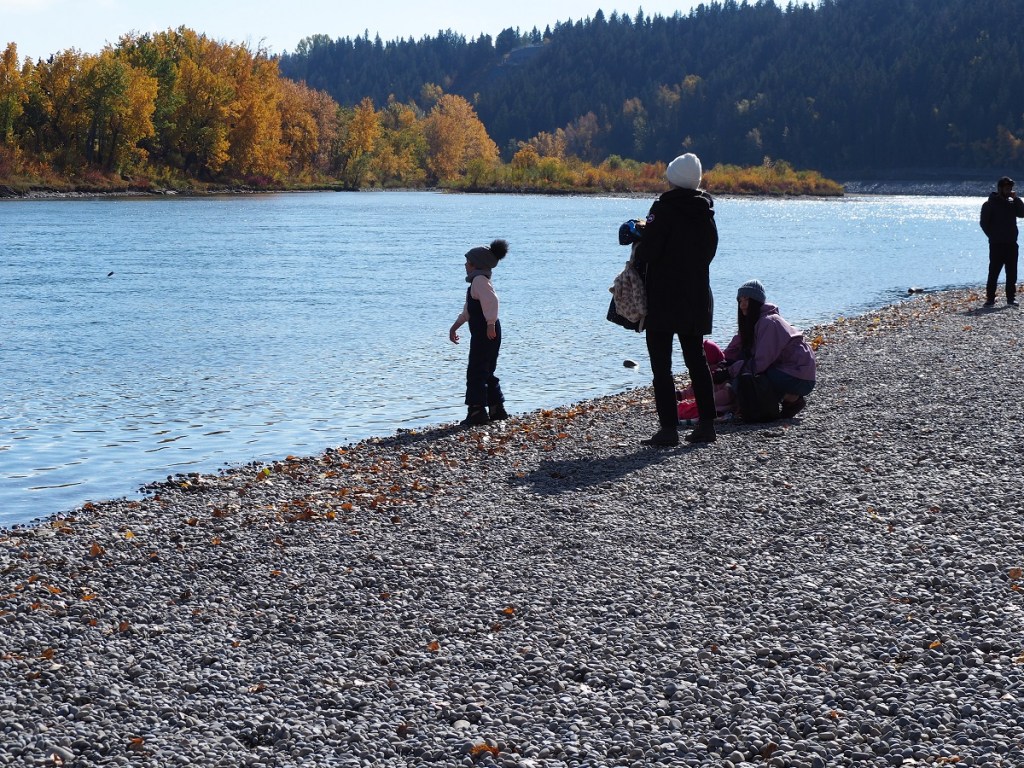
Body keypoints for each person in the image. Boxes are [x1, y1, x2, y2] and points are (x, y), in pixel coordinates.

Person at [634, 152, 718, 445]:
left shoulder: (663, 209)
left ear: (673, 179)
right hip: (696, 295)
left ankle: (669, 429)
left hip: (663, 297)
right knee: (696, 360)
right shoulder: (706, 213)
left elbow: (649, 253)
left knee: (661, 365)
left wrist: (640, 235)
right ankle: (707, 425)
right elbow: (708, 253)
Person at [715, 280, 816, 419]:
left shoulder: (769, 322)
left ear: (757, 302)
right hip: (785, 371)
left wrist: (729, 372)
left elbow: (759, 364)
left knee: (750, 376)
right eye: (740, 300)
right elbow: (735, 349)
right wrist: (720, 364)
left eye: (747, 300)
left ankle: (792, 399)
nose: (743, 305)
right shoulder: (753, 322)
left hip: (799, 376)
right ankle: (778, 402)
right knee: (741, 365)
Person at [449, 239, 510, 425]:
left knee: (476, 370)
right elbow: (469, 310)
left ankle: (477, 410)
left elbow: (492, 301)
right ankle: (496, 408)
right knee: (486, 369)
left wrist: (490, 324)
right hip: (486, 331)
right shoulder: (477, 283)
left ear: (476, 265)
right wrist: (455, 326)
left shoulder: (479, 281)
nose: (465, 265)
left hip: (486, 332)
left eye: (467, 262)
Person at [979, 176, 1024, 307]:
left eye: (1010, 188)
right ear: (1000, 189)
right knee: (994, 272)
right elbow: (983, 224)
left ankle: (1011, 298)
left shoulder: (1012, 203)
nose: (1009, 190)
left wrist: (1017, 199)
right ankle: (990, 298)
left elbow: (1022, 213)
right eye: (1006, 188)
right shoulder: (989, 204)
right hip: (996, 244)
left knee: (1012, 273)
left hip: (1011, 243)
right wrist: (992, 236)